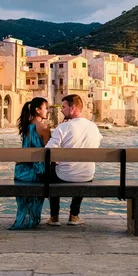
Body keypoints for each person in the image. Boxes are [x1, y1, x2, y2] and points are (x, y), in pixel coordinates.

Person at [45, 94, 101, 226]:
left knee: (52, 169)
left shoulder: (63, 127)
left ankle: (54, 217)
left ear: (73, 108)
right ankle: (74, 216)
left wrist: (57, 160)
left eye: (64, 107)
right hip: (87, 176)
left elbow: (47, 151)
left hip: (64, 176)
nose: (61, 110)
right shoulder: (93, 127)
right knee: (82, 168)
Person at [9, 97, 51, 229]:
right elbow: (48, 152)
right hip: (36, 172)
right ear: (38, 110)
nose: (48, 111)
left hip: (21, 171)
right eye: (46, 108)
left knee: (24, 198)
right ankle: (33, 219)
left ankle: (23, 219)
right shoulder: (44, 128)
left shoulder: (26, 126)